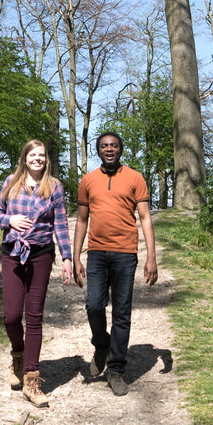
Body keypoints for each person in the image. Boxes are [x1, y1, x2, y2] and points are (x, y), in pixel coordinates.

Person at [72, 130, 158, 396]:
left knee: (122, 313)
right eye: (104, 146)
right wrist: (76, 256)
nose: (109, 149)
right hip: (97, 253)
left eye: (114, 145)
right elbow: (82, 220)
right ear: (98, 150)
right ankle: (101, 344)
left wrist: (151, 256)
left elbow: (144, 218)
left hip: (125, 254)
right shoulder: (88, 180)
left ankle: (117, 369)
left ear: (120, 149)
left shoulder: (135, 178)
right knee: (94, 305)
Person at [0, 139, 72, 407]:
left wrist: (67, 257)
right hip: (12, 253)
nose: (38, 159)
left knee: (34, 316)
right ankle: (18, 355)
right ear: (24, 158)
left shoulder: (55, 187)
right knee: (11, 316)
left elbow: (60, 223)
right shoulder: (11, 182)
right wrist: (9, 220)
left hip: (41, 254)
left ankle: (32, 379)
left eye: (42, 155)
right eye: (32, 154)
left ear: (46, 159)